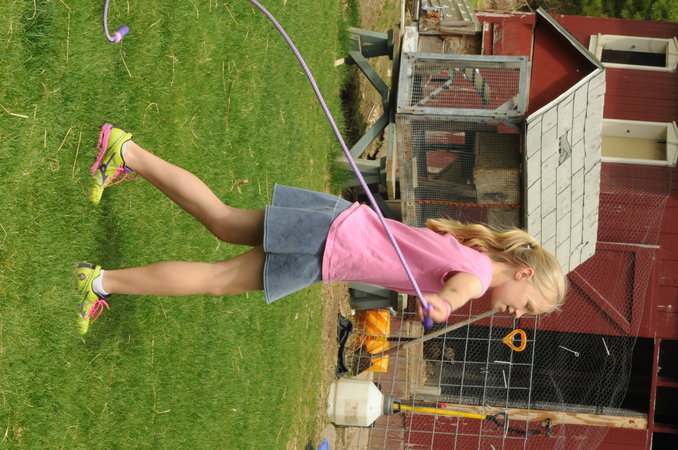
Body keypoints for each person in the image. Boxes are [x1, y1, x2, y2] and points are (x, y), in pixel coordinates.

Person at [76, 124, 568, 335]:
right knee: (218, 277)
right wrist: (444, 304)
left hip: (337, 223)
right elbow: (459, 290)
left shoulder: (474, 253)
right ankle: (97, 282)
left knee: (223, 222)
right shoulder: (477, 276)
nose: (517, 314)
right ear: (523, 274)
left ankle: (125, 152)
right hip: (331, 245)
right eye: (527, 306)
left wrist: (442, 299)